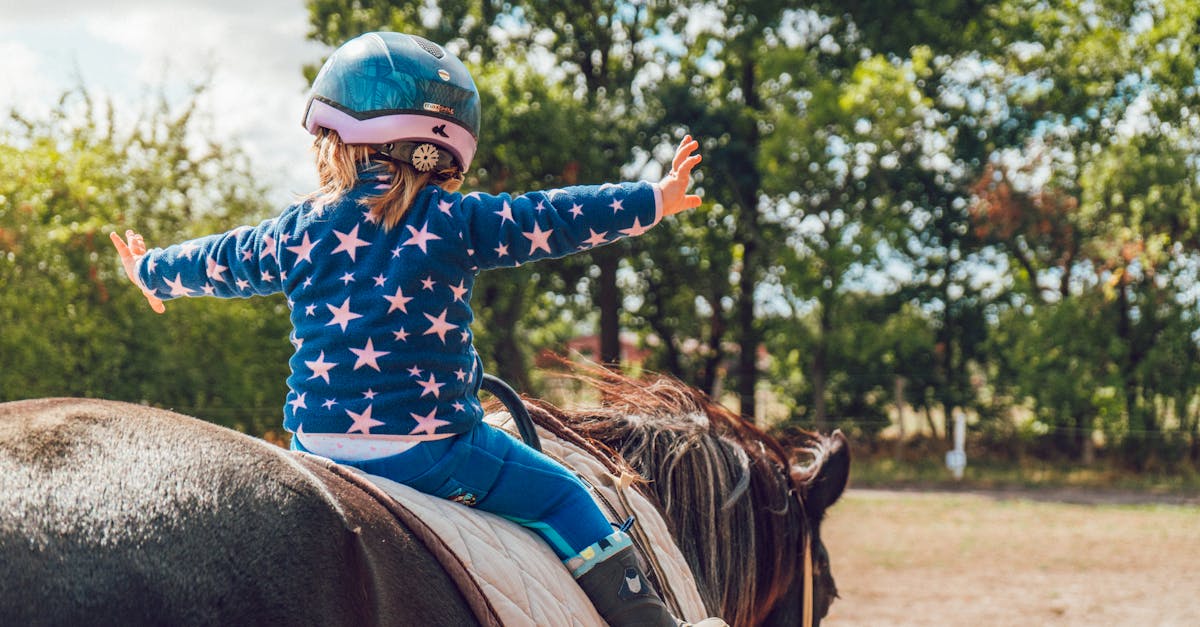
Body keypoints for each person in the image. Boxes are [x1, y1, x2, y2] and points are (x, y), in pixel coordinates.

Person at [111, 31, 720, 627]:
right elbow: (553, 215)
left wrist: (151, 271)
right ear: (445, 151)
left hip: (315, 448)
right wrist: (654, 200)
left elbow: (223, 259)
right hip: (430, 451)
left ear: (335, 139)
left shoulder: (295, 231)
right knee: (565, 497)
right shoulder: (455, 218)